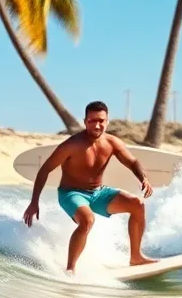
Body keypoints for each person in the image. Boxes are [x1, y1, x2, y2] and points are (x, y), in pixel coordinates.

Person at [22, 101, 155, 274]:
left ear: (107, 121)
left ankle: (136, 257)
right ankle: (70, 270)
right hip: (71, 193)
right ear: (85, 121)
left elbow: (132, 161)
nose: (97, 125)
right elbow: (44, 171)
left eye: (101, 120)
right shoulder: (71, 145)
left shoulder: (112, 143)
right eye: (92, 120)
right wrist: (34, 202)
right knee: (87, 220)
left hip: (99, 192)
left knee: (138, 204)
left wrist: (142, 178)